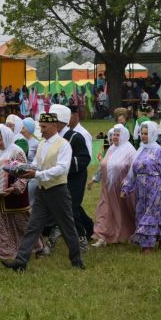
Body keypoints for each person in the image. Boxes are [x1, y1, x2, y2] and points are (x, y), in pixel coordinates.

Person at [0, 111, 84, 272]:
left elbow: (62, 168)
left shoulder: (63, 144)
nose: (41, 130)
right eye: (41, 126)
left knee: (67, 227)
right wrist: (20, 169)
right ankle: (21, 261)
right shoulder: (42, 144)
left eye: (44, 127)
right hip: (42, 191)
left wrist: (38, 174)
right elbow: (36, 164)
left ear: (55, 126)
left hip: (58, 191)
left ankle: (76, 260)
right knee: (33, 226)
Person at [121, 122, 161, 254]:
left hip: (155, 187)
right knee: (142, 212)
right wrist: (126, 188)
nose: (143, 136)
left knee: (150, 214)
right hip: (141, 188)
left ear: (152, 134)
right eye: (141, 133)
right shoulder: (140, 149)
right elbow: (133, 171)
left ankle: (148, 246)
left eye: (146, 133)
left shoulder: (159, 151)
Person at [0, 124, 35, 260]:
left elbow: (24, 175)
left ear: (6, 138)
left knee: (21, 224)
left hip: (14, 196)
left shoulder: (17, 152)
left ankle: (36, 246)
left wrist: (13, 188)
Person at [46, 104, 93, 249]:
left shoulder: (75, 137)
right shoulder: (52, 138)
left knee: (71, 207)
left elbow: (85, 159)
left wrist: (64, 164)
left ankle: (81, 238)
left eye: (52, 121)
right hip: (57, 177)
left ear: (60, 123)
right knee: (57, 207)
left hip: (74, 178)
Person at [87, 124, 136, 246]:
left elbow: (135, 169)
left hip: (122, 191)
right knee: (104, 211)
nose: (114, 137)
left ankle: (127, 234)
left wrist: (128, 181)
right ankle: (102, 237)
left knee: (124, 213)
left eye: (117, 135)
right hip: (107, 189)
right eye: (114, 134)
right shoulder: (111, 149)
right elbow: (103, 166)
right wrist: (94, 179)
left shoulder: (130, 151)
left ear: (124, 135)